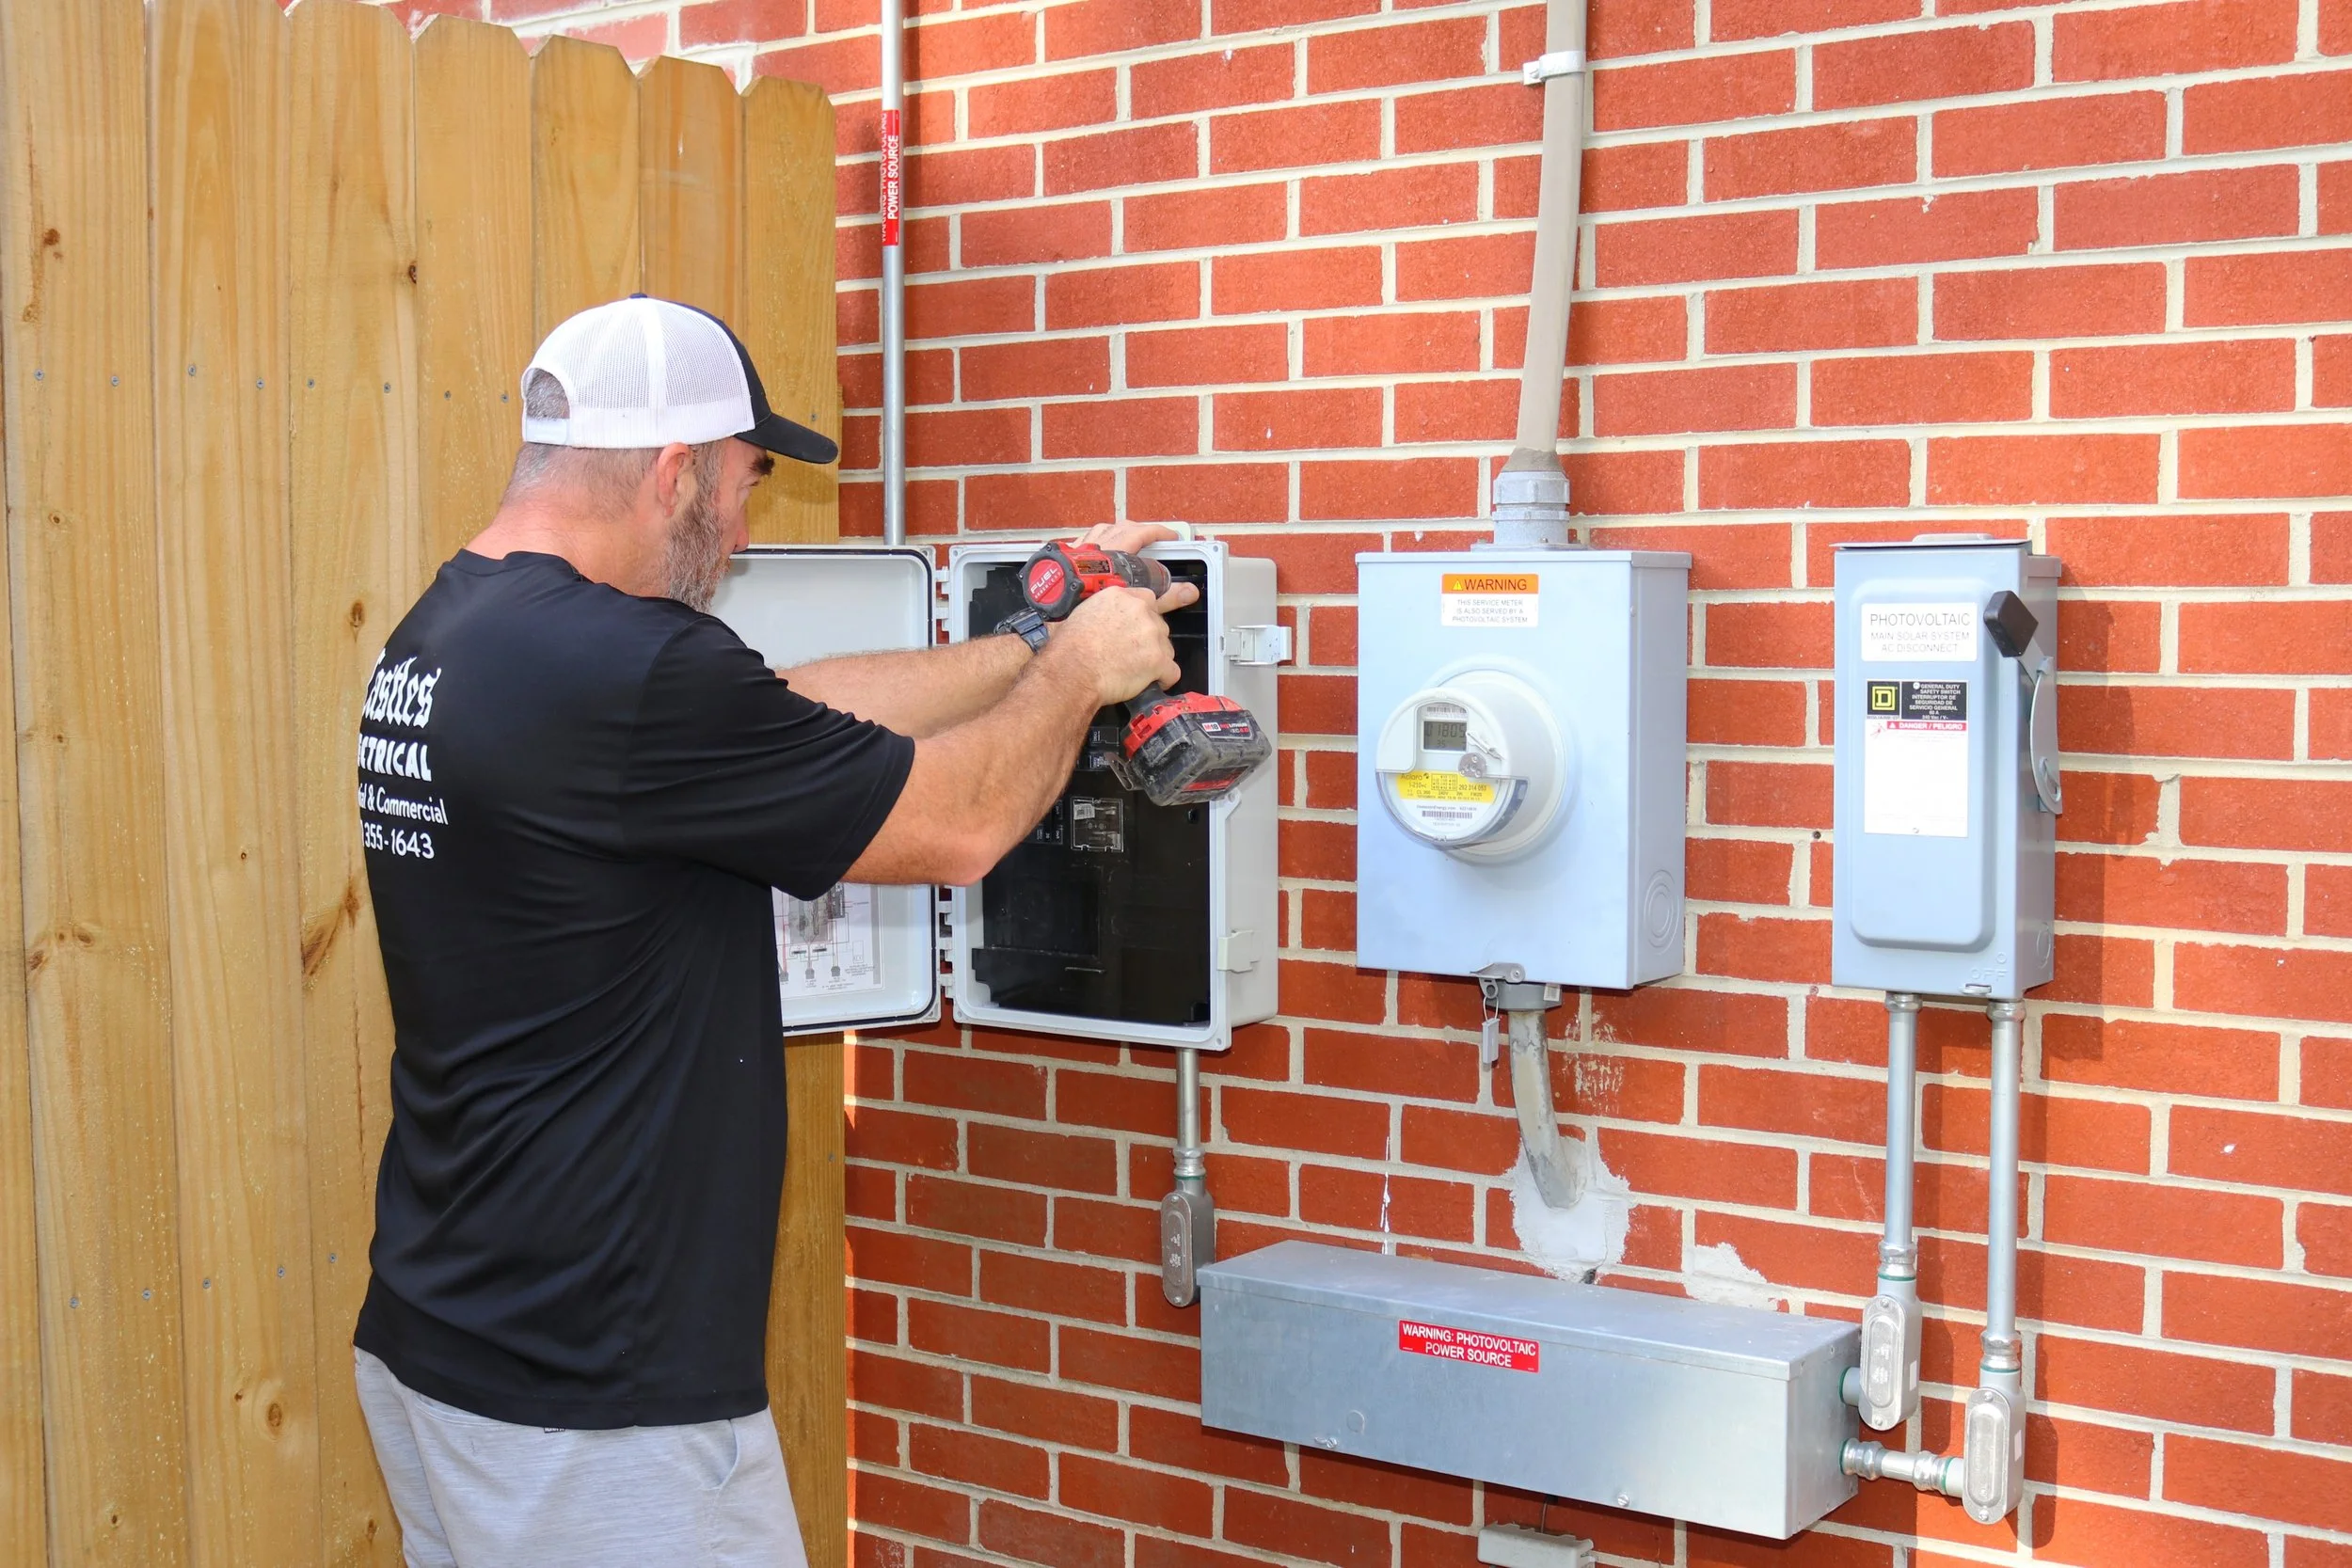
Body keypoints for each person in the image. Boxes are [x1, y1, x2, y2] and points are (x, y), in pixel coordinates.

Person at [350, 294, 1192, 1567]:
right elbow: (958, 828)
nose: (740, 532)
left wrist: (1029, 644)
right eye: (744, 484)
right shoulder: (628, 670)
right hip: (597, 1392)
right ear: (676, 470)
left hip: (449, 1331)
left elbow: (780, 711)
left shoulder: (456, 631)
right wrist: (1083, 677)